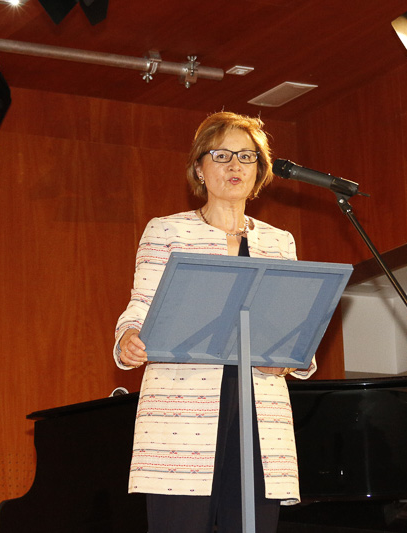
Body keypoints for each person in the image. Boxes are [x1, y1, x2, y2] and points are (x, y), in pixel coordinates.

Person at [113, 111, 316, 533]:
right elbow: (140, 306)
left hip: (260, 415)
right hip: (182, 416)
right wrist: (128, 338)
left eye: (246, 156)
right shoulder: (166, 232)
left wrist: (289, 361)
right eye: (221, 155)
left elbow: (295, 327)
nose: (234, 165)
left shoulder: (279, 241)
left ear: (259, 170)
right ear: (199, 169)